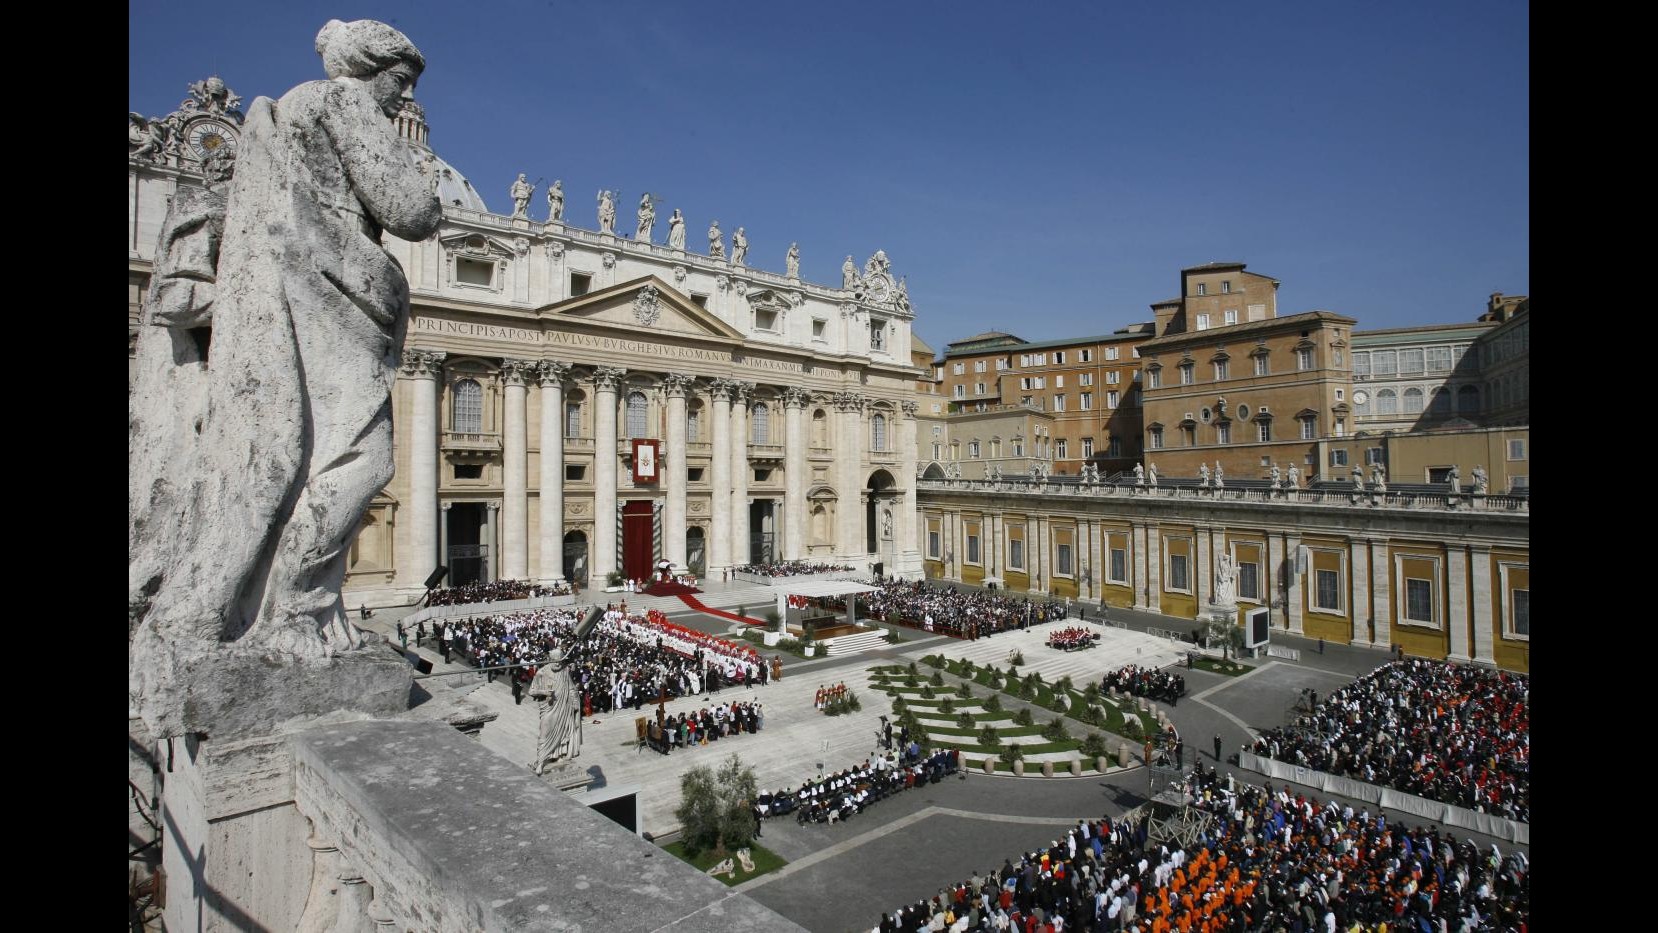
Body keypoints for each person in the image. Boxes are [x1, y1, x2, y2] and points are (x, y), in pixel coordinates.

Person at [130, 18, 443, 660]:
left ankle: (225, 610)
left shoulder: (286, 112)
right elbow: (411, 208)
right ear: (373, 69)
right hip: (329, 297)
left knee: (281, 459)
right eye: (401, 82)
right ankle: (294, 609)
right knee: (361, 462)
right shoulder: (343, 105)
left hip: (294, 296)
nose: (402, 99)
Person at [529, 645, 582, 774]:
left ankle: (558, 755)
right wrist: (545, 692)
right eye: (556, 661)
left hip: (563, 708)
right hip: (549, 708)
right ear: (550, 659)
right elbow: (531, 691)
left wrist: (575, 701)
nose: (559, 664)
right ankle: (540, 761)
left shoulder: (564, 671)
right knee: (544, 734)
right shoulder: (541, 672)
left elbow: (570, 688)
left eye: (561, 661)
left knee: (563, 732)